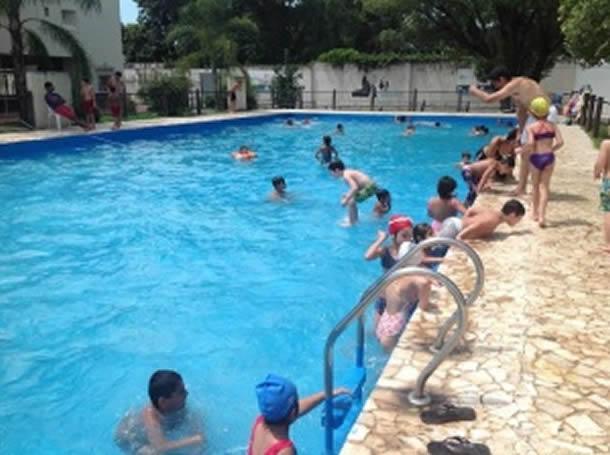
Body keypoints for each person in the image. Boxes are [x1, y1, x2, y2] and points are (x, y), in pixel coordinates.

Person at [469, 66, 557, 196]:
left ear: (502, 79)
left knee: (530, 152)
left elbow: (489, 99)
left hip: (544, 112)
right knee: (527, 152)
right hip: (537, 114)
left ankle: (526, 187)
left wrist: (474, 90)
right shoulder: (516, 89)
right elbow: (522, 111)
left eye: (495, 83)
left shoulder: (516, 83)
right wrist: (521, 132)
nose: (496, 87)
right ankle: (526, 187)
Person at [248, 374, 350, 455]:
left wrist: (325, 394)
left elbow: (295, 409)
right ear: (292, 412)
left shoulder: (260, 422)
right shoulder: (284, 451)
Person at [114, 370, 204, 454]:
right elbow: (160, 447)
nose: (186, 394)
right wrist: (193, 440)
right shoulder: (150, 417)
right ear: (163, 401)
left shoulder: (179, 406)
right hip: (129, 439)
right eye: (181, 392)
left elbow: (197, 429)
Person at [519, 97, 564, 227]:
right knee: (544, 187)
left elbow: (530, 143)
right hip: (549, 158)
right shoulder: (553, 126)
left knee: (535, 186)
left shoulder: (531, 127)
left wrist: (521, 150)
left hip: (536, 157)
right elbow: (560, 142)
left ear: (533, 113)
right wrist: (551, 150)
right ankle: (542, 216)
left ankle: (534, 213)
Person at [365, 215, 413, 325]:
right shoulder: (385, 251)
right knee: (377, 329)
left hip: (401, 298)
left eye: (411, 236)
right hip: (384, 296)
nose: (409, 239)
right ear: (394, 236)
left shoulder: (412, 251)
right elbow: (367, 256)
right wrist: (381, 239)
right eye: (404, 235)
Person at [328, 160, 377, 226]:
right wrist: (347, 195)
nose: (331, 175)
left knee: (350, 202)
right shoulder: (347, 172)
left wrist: (346, 200)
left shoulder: (345, 175)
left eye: (331, 173)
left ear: (337, 170)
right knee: (351, 200)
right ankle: (354, 220)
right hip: (371, 186)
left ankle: (352, 223)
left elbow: (354, 187)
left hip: (370, 188)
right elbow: (357, 185)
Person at [458, 199, 525, 240]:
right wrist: (460, 236)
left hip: (456, 223)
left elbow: (470, 210)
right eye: (519, 219)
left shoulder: (494, 213)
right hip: (456, 229)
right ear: (512, 215)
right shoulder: (493, 221)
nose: (519, 222)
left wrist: (464, 220)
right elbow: (477, 224)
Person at [594, 140, 610, 253]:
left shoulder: (607, 144)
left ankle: (609, 243)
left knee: (608, 211)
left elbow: (600, 163)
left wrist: (596, 173)